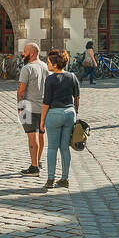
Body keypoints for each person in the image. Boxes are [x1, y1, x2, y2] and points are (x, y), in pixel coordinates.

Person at [39, 49, 80, 190]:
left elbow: (46, 102)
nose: (47, 64)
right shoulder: (72, 76)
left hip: (54, 114)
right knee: (64, 148)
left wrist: (42, 120)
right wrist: (76, 111)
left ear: (55, 65)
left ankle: (50, 179)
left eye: (49, 62)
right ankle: (65, 178)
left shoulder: (50, 79)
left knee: (52, 148)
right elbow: (77, 96)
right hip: (69, 113)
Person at [16, 42, 47, 175]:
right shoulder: (45, 66)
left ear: (32, 53)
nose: (23, 54)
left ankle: (34, 167)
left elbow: (21, 90)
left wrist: (20, 107)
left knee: (31, 135)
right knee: (40, 135)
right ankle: (38, 162)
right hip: (44, 107)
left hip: (28, 107)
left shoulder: (27, 68)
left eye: (25, 51)